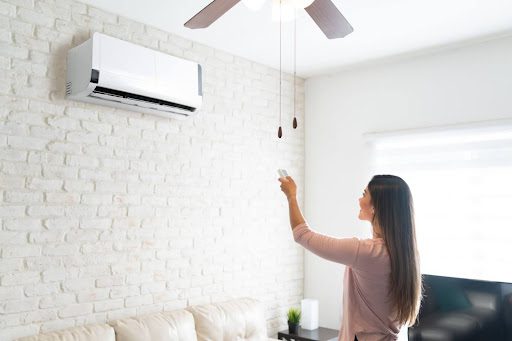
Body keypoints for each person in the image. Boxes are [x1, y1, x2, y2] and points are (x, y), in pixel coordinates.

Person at [278, 174, 422, 341]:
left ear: (376, 207)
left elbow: (302, 234)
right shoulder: (406, 253)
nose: (359, 199)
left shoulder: (366, 252)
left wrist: (291, 196)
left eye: (364, 194)